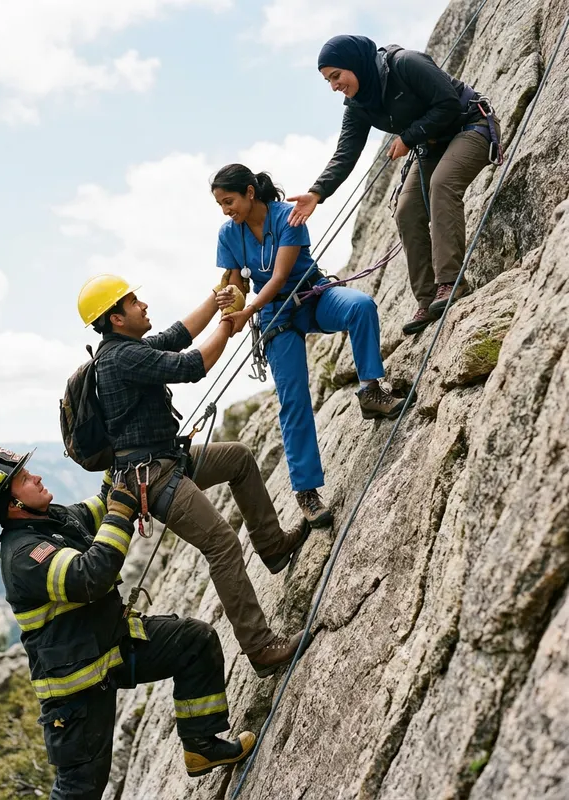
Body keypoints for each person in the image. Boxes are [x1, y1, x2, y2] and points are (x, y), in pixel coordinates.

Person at [0, 443, 256, 800]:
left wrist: (121, 456)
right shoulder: (24, 555)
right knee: (80, 790)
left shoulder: (56, 518)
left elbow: (105, 501)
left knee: (195, 642)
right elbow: (89, 577)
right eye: (24, 478)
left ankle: (201, 746)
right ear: (13, 505)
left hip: (114, 650)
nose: (36, 477)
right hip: (77, 694)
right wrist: (119, 515)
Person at [77, 274, 305, 678]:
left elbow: (178, 334)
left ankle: (271, 546)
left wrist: (217, 302)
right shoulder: (121, 359)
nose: (143, 306)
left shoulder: (126, 349)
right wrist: (227, 323)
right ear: (115, 318)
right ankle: (260, 647)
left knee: (237, 458)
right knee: (221, 544)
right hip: (153, 477)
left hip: (164, 461)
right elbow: (191, 365)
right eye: (133, 303)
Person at [211, 164, 405, 525]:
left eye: (229, 201)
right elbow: (237, 283)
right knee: (294, 399)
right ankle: (307, 492)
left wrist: (248, 307)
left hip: (311, 296)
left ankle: (370, 390)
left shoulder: (288, 216)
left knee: (360, 307)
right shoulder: (229, 234)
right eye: (221, 204)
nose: (226, 210)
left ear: (250, 192)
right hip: (275, 318)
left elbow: (281, 275)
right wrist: (231, 302)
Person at [288, 35, 501, 335]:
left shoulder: (405, 64)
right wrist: (316, 193)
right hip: (433, 144)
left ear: (355, 64)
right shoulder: (358, 105)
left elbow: (448, 104)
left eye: (336, 76)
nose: (334, 86)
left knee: (441, 184)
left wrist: (407, 137)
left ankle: (450, 282)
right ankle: (427, 299)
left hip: (471, 126)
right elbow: (346, 153)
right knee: (406, 209)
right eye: (328, 81)